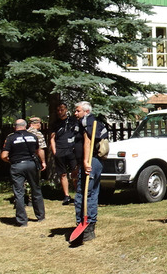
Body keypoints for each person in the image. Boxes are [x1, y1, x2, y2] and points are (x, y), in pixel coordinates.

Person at [70, 101, 108, 243]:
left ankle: (84, 224)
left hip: (92, 161)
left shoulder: (87, 121)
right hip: (96, 162)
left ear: (86, 111)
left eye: (77, 110)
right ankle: (90, 226)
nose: (75, 113)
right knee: (92, 193)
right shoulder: (94, 121)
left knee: (83, 193)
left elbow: (88, 141)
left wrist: (86, 162)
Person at [0, 119, 46, 226]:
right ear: (25, 126)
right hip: (31, 164)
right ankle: (40, 216)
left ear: (15, 127)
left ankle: (22, 220)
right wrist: (43, 162)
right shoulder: (33, 136)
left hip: (17, 165)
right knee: (36, 189)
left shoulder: (11, 138)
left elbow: (3, 155)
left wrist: (10, 161)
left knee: (19, 192)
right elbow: (39, 150)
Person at [49, 103, 80, 205]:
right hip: (60, 151)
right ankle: (66, 195)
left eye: (62, 109)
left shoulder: (73, 121)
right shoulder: (55, 124)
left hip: (71, 150)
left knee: (75, 173)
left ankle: (78, 195)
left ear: (66, 110)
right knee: (62, 174)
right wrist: (55, 152)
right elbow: (52, 138)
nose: (60, 112)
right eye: (58, 110)